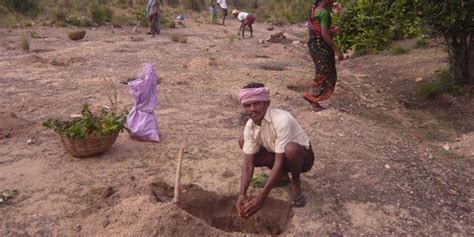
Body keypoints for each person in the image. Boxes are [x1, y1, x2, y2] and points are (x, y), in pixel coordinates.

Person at [235, 83, 315, 218]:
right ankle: (282, 177)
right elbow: (248, 163)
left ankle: (295, 182)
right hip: (276, 154)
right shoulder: (250, 125)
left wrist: (262, 197)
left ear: (267, 103)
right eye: (247, 105)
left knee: (291, 149)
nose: (252, 109)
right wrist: (242, 194)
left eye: (257, 104)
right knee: (243, 141)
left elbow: (279, 160)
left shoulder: (282, 120)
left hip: (302, 158)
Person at [304, 0, 344, 111]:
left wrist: (332, 31)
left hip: (314, 45)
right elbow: (324, 34)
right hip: (322, 46)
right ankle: (312, 99)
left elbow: (321, 31)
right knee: (323, 73)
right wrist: (337, 50)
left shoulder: (313, 11)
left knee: (322, 72)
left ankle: (313, 100)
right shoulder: (324, 13)